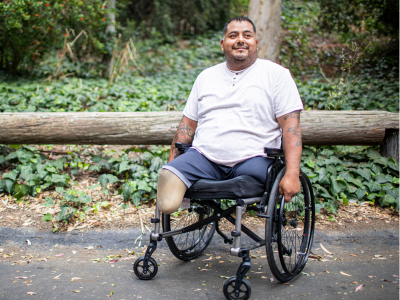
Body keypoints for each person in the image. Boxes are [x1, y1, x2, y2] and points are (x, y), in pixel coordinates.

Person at [157, 16, 303, 214]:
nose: (240, 40)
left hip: (254, 160)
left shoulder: (277, 75)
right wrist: (173, 162)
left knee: (258, 179)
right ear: (223, 44)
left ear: (256, 43)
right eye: (233, 35)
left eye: (247, 35)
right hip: (205, 158)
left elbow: (291, 128)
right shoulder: (206, 77)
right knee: (168, 177)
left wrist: (292, 173)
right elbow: (187, 125)